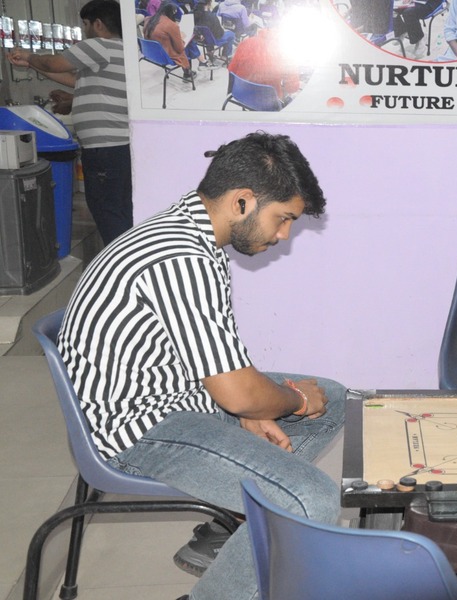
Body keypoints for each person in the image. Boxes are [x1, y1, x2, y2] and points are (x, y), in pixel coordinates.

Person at [58, 132, 346, 600]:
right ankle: (254, 530)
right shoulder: (180, 256)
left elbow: (220, 362)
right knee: (309, 498)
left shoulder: (191, 235)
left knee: (330, 398)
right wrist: (278, 401)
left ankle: (237, 525)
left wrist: (253, 407)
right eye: (283, 218)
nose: (284, 235)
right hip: (138, 429)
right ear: (242, 201)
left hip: (177, 396)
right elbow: (237, 391)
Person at [6, 0, 132, 246]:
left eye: (85, 24)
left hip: (105, 148)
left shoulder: (99, 45)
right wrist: (32, 64)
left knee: (106, 209)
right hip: (118, 147)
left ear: (98, 24)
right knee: (118, 207)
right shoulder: (121, 52)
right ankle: (128, 255)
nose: (85, 30)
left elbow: (53, 63)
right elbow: (73, 80)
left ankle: (122, 260)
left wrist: (29, 55)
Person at [228, 28, 300, 105]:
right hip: (268, 102)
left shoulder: (245, 43)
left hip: (241, 94)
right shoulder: (285, 52)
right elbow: (292, 88)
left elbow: (231, 70)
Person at [144, 3, 201, 81]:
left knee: (189, 44)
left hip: (152, 53)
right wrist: (181, 37)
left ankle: (200, 62)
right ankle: (188, 72)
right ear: (171, 12)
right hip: (166, 56)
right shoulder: (171, 25)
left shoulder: (148, 19)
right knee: (189, 43)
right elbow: (180, 48)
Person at [193, 0, 236, 64]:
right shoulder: (212, 16)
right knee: (231, 35)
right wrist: (223, 29)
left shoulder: (195, 15)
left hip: (202, 39)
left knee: (208, 34)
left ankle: (210, 51)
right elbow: (220, 34)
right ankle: (225, 55)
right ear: (209, 3)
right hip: (214, 39)